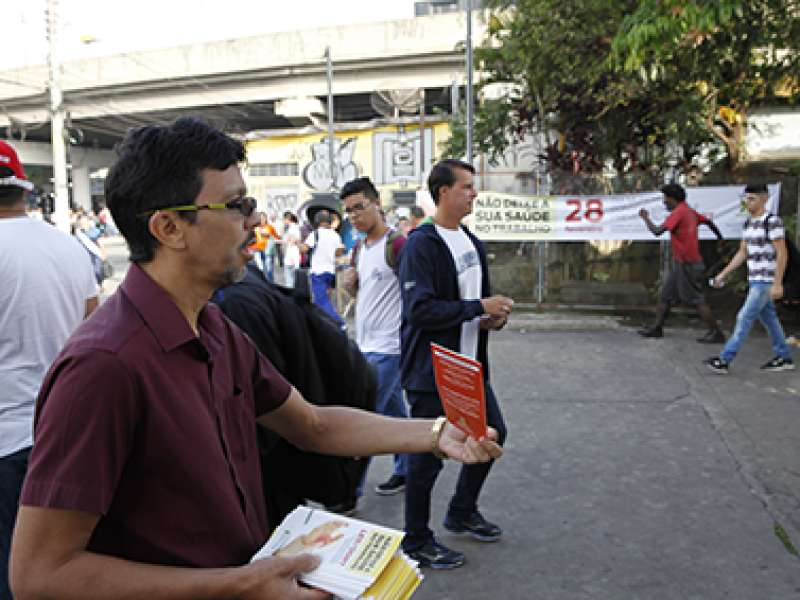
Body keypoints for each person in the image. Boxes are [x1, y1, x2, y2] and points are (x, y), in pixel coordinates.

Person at [9, 118, 502, 600]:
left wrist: (436, 433)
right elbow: (40, 574)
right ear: (169, 227)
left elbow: (311, 425)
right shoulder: (103, 367)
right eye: (237, 205)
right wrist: (239, 585)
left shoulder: (215, 327)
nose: (256, 220)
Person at [398, 159, 513, 570]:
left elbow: (467, 307)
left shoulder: (470, 240)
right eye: (466, 186)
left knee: (492, 436)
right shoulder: (422, 244)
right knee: (426, 457)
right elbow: (420, 310)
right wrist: (477, 306)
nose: (473, 193)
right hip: (432, 373)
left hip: (469, 367)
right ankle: (416, 540)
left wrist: (487, 319)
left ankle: (461, 511)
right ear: (443, 192)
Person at [0, 140, 98, 600]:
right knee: (59, 574)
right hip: (66, 437)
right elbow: (95, 334)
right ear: (23, 188)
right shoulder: (70, 247)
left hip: (5, 443)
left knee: (12, 575)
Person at [341, 176, 410, 500]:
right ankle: (407, 467)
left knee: (365, 418)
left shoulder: (397, 245)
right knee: (394, 410)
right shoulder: (360, 248)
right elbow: (363, 292)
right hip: (365, 344)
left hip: (390, 348)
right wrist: (351, 286)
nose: (354, 216)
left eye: (359, 208)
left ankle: (348, 491)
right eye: (349, 211)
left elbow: (415, 293)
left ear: (376, 204)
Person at [704, 183, 795, 373]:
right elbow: (742, 253)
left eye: (752, 198)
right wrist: (722, 274)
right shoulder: (748, 223)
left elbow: (782, 253)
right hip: (755, 279)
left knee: (744, 317)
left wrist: (777, 283)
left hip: (765, 280)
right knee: (769, 318)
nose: (747, 202)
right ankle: (784, 356)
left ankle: (724, 359)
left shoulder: (772, 222)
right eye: (746, 198)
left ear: (764, 199)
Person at [638, 182, 726, 342]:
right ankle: (657, 328)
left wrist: (646, 218)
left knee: (696, 300)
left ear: (673, 199)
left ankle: (716, 332)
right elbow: (708, 222)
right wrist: (720, 239)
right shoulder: (688, 211)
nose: (664, 202)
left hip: (688, 264)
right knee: (665, 295)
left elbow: (657, 231)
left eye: (665, 198)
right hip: (682, 263)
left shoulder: (679, 212)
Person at [300, 210, 345, 327]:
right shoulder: (335, 235)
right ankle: (322, 324)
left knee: (322, 301)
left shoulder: (315, 234)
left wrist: (298, 244)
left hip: (318, 271)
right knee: (325, 300)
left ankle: (339, 323)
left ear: (317, 221)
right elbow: (339, 252)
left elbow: (304, 249)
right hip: (331, 271)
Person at [281, 211, 302, 288]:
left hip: (292, 253)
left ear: (288, 219)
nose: (283, 221)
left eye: (284, 219)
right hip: (292, 253)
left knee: (290, 276)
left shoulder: (293, 227)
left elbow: (295, 240)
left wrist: (289, 240)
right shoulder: (292, 227)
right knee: (292, 275)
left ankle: (291, 293)